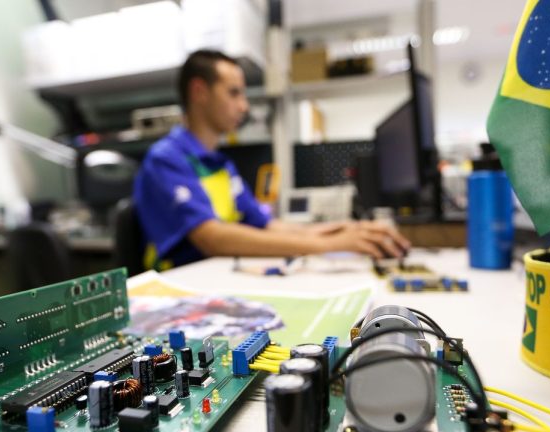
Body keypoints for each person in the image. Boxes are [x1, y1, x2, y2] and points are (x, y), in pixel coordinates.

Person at [133, 50, 410, 271]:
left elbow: (266, 225)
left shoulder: (220, 164)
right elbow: (212, 238)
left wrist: (339, 231)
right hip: (182, 290)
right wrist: (330, 244)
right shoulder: (166, 160)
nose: (243, 106)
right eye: (234, 93)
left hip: (219, 277)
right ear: (199, 92)